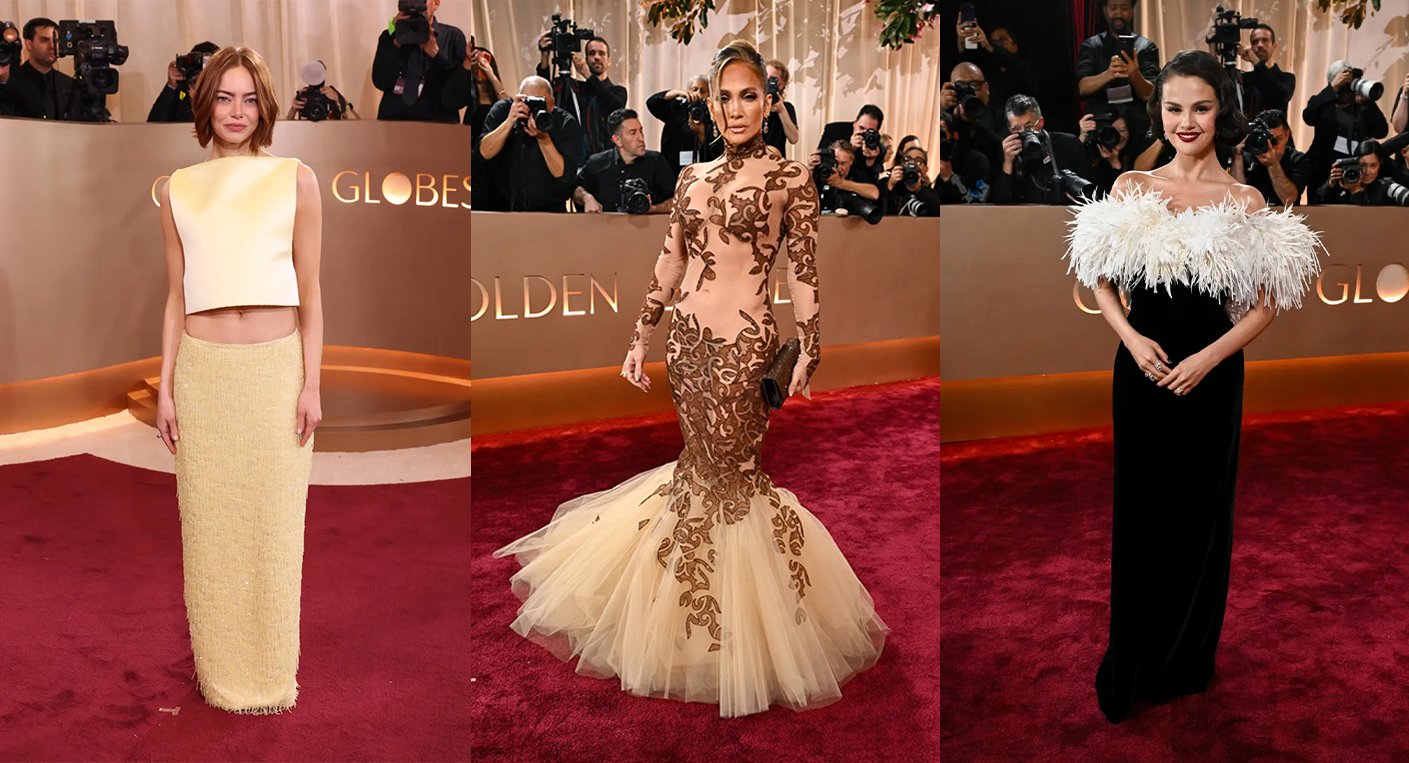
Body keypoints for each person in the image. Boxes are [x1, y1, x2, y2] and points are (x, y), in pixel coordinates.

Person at [493, 39, 887, 718]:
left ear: (768, 100)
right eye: (723, 96)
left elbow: (802, 270)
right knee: (697, 472)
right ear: (709, 101)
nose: (735, 109)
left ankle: (730, 629)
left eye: (748, 95)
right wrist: (640, 335)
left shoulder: (791, 177)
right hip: (688, 350)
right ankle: (686, 615)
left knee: (731, 476)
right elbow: (670, 260)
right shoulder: (691, 178)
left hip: (744, 349)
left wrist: (812, 346)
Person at [1065, 50, 1321, 724]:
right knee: (1141, 514)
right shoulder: (1129, 186)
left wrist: (1207, 358)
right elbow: (1097, 276)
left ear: (1220, 112)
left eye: (1199, 108)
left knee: (1200, 517)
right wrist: (1127, 335)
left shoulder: (1244, 201)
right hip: (1142, 373)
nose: (1184, 120)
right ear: (1159, 110)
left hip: (1211, 377)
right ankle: (1135, 656)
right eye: (1173, 107)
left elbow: (1264, 305)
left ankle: (1184, 659)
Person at [153, 46, 323, 714]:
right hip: (205, 375)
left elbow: (310, 290)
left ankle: (273, 673)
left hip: (276, 370)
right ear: (205, 105)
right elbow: (175, 294)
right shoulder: (175, 188)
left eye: (249, 98)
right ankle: (221, 674)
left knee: (275, 529)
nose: (237, 111)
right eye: (224, 97)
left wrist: (311, 382)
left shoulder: (295, 179)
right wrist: (165, 385)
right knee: (212, 531)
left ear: (266, 107)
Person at [476, 76, 584, 211]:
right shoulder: (503, 111)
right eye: (529, 101)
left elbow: (565, 176)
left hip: (549, 212)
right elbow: (483, 153)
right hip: (502, 208)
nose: (534, 108)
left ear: (552, 103)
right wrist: (509, 121)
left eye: (540, 102)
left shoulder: (564, 122)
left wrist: (543, 137)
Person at [1076, 0, 1161, 157]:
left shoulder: (1146, 47)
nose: (1119, 14)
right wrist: (1109, 74)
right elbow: (1082, 87)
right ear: (1105, 10)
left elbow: (1151, 94)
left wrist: (1135, 74)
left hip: (1138, 133)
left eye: (1124, 8)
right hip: (1101, 132)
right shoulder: (1091, 46)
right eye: (1113, 8)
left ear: (1131, 10)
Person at [1302, 60, 1389, 198]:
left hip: (1357, 175)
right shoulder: (1323, 103)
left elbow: (1381, 131)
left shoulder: (1362, 107)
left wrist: (1368, 104)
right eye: (1343, 83)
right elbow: (1308, 117)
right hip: (1324, 173)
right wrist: (1332, 88)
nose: (1347, 89)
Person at [371, 0, 467, 122]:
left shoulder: (453, 36)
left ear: (436, 3)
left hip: (439, 124)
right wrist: (396, 41)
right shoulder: (389, 36)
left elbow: (459, 92)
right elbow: (380, 81)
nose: (416, 5)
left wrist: (437, 55)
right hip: (394, 123)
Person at [536, 33, 627, 158]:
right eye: (592, 53)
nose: (596, 57)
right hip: (579, 157)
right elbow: (544, 92)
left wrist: (586, 74)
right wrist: (545, 55)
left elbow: (615, 106)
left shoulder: (618, 91)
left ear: (609, 61)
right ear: (586, 59)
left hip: (606, 159)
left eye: (601, 53)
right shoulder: (577, 89)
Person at [991, 95, 1092, 205]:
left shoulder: (1068, 144)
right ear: (1010, 128)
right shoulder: (1008, 150)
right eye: (1016, 128)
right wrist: (1008, 162)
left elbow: (1089, 192)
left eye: (1029, 126)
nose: (1024, 132)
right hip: (1023, 219)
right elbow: (1000, 202)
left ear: (1040, 122)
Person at [573, 108, 675, 213]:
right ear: (617, 140)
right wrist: (586, 197)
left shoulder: (656, 161)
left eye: (641, 130)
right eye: (633, 133)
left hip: (649, 227)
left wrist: (654, 209)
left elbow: (677, 200)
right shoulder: (597, 163)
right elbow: (576, 189)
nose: (641, 138)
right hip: (606, 227)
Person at [645, 75, 723, 178]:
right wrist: (677, 93)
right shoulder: (677, 108)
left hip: (704, 174)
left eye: (703, 91)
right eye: (694, 89)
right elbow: (652, 103)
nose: (698, 94)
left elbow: (717, 152)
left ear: (709, 94)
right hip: (674, 171)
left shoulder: (713, 115)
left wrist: (701, 134)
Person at [1232, 109, 1308, 207]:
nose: (1270, 146)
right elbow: (1236, 198)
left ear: (1287, 135)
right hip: (1251, 217)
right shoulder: (1246, 157)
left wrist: (1273, 165)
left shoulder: (1298, 160)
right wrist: (1237, 157)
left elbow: (1289, 200)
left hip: (1285, 219)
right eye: (1266, 140)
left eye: (1275, 140)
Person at [8, 18, 74, 120]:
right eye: (44, 40)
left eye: (55, 41)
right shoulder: (11, 82)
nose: (52, 46)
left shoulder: (70, 85)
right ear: (29, 44)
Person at [1314, 140, 1409, 206]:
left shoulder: (1387, 187)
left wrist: (1356, 191)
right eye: (1362, 165)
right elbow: (1316, 209)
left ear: (1380, 164)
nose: (1367, 172)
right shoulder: (1342, 184)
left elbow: (1362, 219)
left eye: (1373, 165)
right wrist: (1329, 186)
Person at [147, 41, 220, 122]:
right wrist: (171, 86)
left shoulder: (223, 93)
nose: (200, 78)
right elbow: (153, 125)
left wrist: (200, 101)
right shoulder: (184, 89)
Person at [816, 103, 889, 183]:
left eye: (869, 131)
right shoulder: (834, 130)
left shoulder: (877, 146)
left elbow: (873, 182)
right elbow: (821, 158)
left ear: (877, 132)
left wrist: (870, 161)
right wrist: (850, 147)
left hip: (858, 187)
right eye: (861, 128)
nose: (863, 133)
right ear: (854, 123)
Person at [1077, 109, 1138, 196]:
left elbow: (1128, 193)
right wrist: (1083, 136)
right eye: (1111, 131)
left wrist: (1114, 163)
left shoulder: (1136, 156)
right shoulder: (1091, 152)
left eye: (1122, 130)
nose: (1117, 136)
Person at [938, 110, 992, 204]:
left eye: (941, 130)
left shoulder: (977, 162)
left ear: (954, 135)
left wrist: (950, 178)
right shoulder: (925, 162)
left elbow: (977, 201)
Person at [885, 144, 940, 216]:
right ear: (901, 164)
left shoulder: (931, 193)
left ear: (925, 169)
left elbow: (938, 214)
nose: (912, 164)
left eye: (918, 162)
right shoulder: (893, 186)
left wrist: (919, 189)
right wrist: (890, 185)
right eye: (907, 160)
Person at [763, 59, 799, 156]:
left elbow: (793, 138)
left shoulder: (787, 108)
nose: (768, 82)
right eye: (765, 77)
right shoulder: (753, 105)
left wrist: (781, 110)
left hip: (777, 164)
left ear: (782, 84)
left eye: (773, 79)